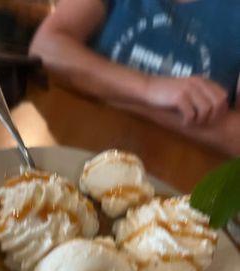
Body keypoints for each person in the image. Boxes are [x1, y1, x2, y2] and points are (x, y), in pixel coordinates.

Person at [29, 0, 240, 155]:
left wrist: (106, 89)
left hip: (172, 183)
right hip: (72, 146)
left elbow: (235, 137)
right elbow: (45, 48)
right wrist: (149, 89)